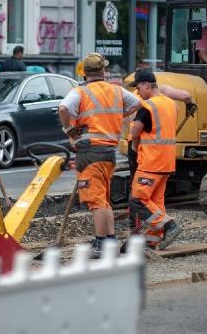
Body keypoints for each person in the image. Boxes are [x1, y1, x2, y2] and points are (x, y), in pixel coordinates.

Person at [58, 52, 141, 259]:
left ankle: (101, 242)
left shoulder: (80, 92)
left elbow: (63, 108)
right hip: (108, 152)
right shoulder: (117, 91)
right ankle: (110, 239)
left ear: (84, 72)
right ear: (104, 71)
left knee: (96, 200)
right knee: (103, 198)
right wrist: (118, 116)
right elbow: (137, 104)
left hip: (90, 152)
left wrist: (69, 130)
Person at [128, 68, 194, 250]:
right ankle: (154, 238)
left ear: (146, 85)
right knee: (156, 200)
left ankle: (169, 225)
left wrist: (134, 147)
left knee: (138, 199)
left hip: (151, 162)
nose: (138, 92)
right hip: (167, 162)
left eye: (139, 87)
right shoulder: (172, 104)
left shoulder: (147, 106)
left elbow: (135, 132)